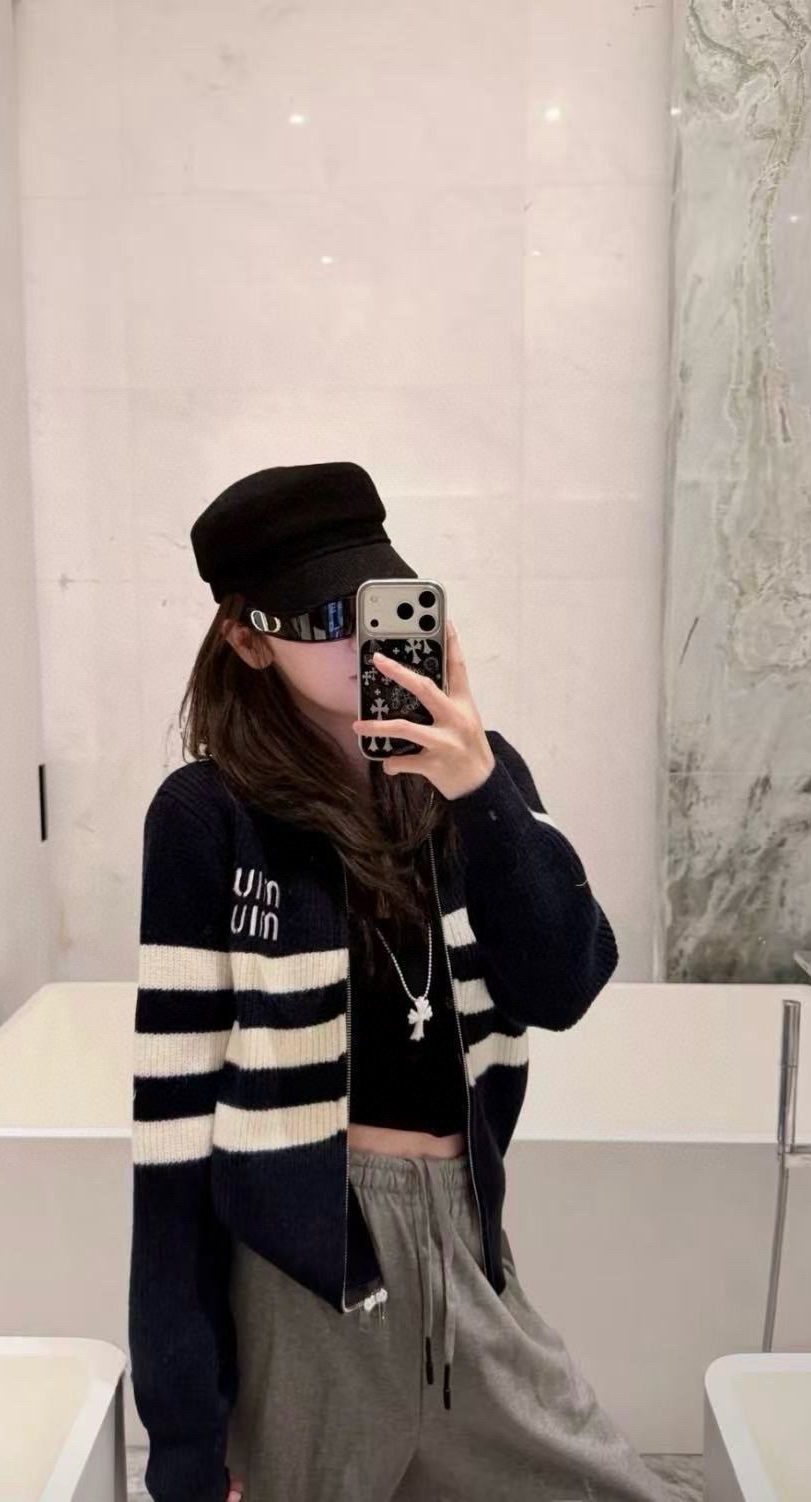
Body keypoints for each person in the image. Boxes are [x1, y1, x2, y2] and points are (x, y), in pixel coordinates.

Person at [128, 462, 674, 1502]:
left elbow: (566, 983)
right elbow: (172, 1139)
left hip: (466, 1238)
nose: (364, 640)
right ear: (248, 639)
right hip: (303, 1268)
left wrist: (477, 788)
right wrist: (187, 1436)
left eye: (383, 602)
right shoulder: (206, 817)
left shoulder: (479, 773)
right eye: (326, 617)